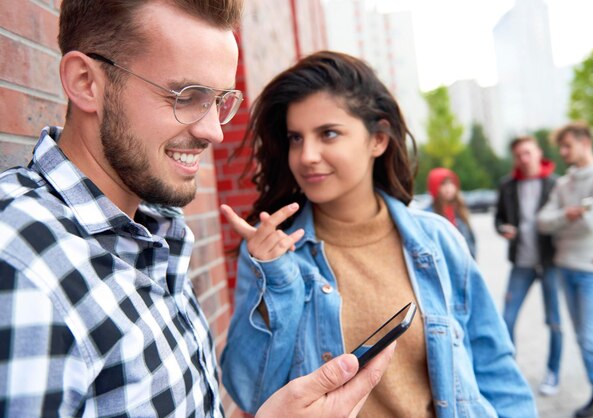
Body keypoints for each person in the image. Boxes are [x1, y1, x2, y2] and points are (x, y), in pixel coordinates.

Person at [0, 1, 397, 417]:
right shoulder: (23, 261)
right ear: (86, 82)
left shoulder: (155, 234)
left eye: (220, 100)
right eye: (187, 97)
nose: (215, 131)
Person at [219, 50, 537, 418]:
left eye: (329, 134)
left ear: (378, 140)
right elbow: (249, 394)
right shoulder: (273, 253)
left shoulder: (438, 240)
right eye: (295, 138)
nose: (306, 155)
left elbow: (495, 366)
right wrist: (275, 281)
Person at [538, 122, 593, 418]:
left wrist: (571, 217)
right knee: (582, 339)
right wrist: (570, 214)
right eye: (560, 147)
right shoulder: (565, 183)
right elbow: (543, 221)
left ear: (585, 141)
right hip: (566, 265)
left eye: (567, 146)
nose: (562, 152)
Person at [494, 136, 562, 396]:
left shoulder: (556, 184)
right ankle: (509, 372)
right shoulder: (508, 186)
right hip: (520, 263)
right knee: (506, 319)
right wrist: (503, 229)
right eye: (518, 155)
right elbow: (498, 218)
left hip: (550, 263)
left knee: (554, 321)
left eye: (527, 153)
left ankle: (552, 372)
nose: (523, 159)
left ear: (538, 153)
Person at [426, 167, 476, 258]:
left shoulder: (460, 208)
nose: (448, 188)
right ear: (434, 186)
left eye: (451, 183)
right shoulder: (429, 215)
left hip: (465, 262)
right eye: (443, 184)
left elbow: (471, 239)